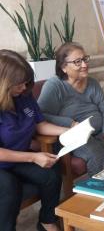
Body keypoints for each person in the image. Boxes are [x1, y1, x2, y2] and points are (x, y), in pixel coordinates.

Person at [37, 42, 104, 176]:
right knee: (98, 152)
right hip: (74, 137)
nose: (84, 65)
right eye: (77, 62)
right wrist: (69, 123)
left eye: (84, 59)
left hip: (98, 131)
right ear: (64, 67)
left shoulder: (92, 83)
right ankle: (101, 190)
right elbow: (41, 115)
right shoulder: (54, 86)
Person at [0, 50, 69, 231]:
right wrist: (33, 157)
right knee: (8, 187)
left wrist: (69, 131)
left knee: (51, 171)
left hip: (17, 158)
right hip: (3, 160)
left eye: (26, 82)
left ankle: (47, 221)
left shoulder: (23, 95)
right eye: (19, 84)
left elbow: (40, 124)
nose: (24, 87)